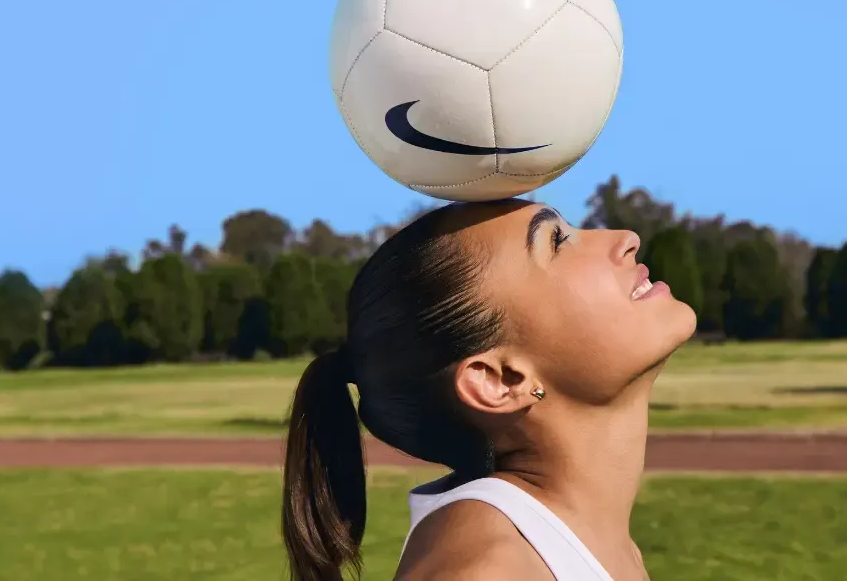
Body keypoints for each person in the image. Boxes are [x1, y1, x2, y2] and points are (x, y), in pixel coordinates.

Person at [281, 199, 696, 580]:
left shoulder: (587, 545)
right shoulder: (486, 570)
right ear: (499, 381)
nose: (626, 239)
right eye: (557, 241)